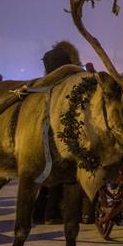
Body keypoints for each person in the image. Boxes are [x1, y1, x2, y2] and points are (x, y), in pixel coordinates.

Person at [33, 41, 82, 226]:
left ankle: (39, 212)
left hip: (41, 132)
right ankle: (52, 213)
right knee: (59, 174)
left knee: (44, 175)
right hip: (60, 133)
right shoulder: (68, 85)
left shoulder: (42, 84)